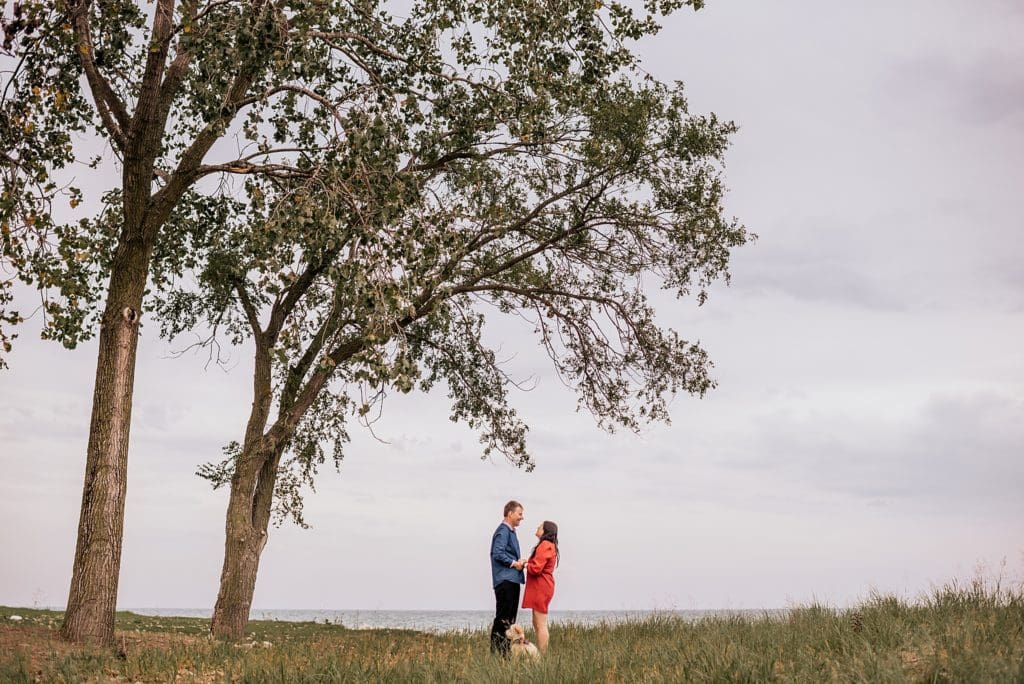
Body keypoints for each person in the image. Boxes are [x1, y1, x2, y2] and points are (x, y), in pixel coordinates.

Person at [489, 500, 526, 655]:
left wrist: (519, 563)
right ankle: (497, 653)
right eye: (520, 514)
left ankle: (504, 653)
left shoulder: (509, 531)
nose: (522, 518)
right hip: (505, 581)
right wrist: (514, 563)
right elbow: (497, 553)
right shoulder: (503, 531)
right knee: (503, 619)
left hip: (511, 580)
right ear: (510, 513)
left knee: (509, 620)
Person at [522, 520, 559, 653]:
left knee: (540, 623)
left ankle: (543, 655)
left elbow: (536, 568)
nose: (537, 527)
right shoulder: (549, 545)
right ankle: (542, 653)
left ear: (545, 531)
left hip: (541, 586)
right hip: (542, 585)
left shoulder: (545, 545)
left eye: (540, 527)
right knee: (537, 622)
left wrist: (525, 564)